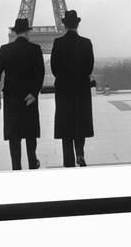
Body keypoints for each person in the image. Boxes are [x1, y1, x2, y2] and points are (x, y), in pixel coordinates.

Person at [0, 18, 45, 171]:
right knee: (30, 133)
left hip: (11, 98)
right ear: (28, 32)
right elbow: (40, 74)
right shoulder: (35, 49)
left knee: (14, 135)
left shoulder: (4, 50)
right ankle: (33, 162)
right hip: (29, 98)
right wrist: (33, 93)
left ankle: (16, 166)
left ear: (14, 32)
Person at [51, 10, 94, 167]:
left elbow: (54, 68)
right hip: (81, 89)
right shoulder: (86, 43)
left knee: (66, 125)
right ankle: (80, 153)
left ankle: (68, 159)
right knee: (80, 123)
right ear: (77, 24)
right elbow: (89, 67)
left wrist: (64, 79)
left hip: (63, 90)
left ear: (64, 25)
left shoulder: (58, 43)